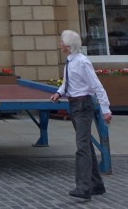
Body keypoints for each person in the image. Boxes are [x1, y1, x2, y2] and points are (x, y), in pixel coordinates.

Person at [50, 29, 112, 201]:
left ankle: (84, 187)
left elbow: (97, 86)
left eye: (62, 41)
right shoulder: (70, 61)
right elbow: (68, 81)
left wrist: (106, 110)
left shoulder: (82, 62)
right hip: (74, 104)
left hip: (83, 105)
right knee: (86, 144)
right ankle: (96, 184)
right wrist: (59, 92)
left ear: (68, 45)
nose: (60, 44)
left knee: (82, 147)